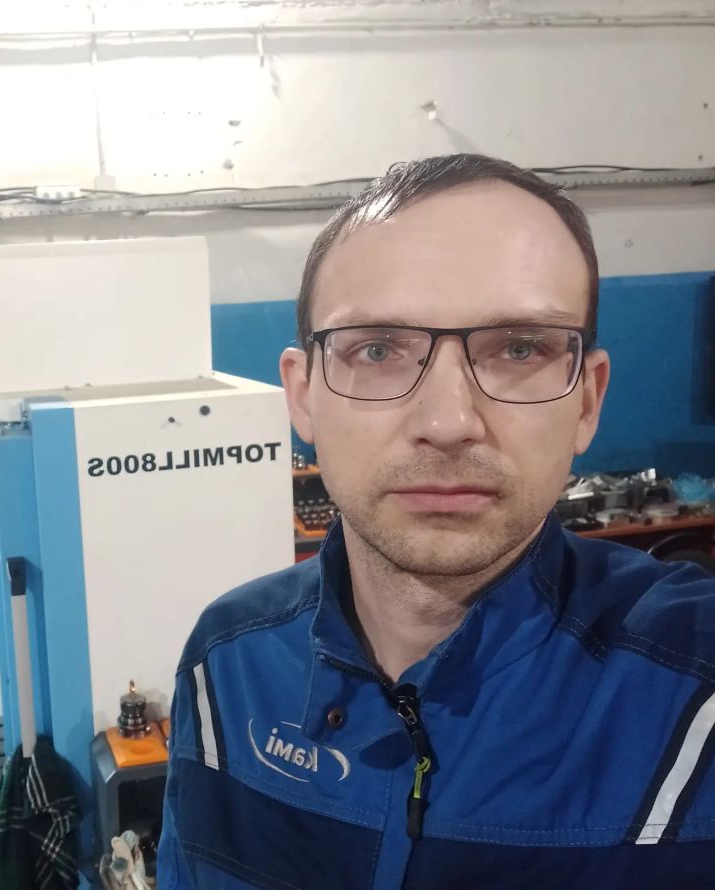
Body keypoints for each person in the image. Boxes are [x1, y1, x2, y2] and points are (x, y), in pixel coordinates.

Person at [156, 154, 715, 889]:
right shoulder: (226, 666)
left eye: (520, 348)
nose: (449, 423)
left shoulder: (694, 692)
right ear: (302, 396)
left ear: (587, 400)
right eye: (377, 350)